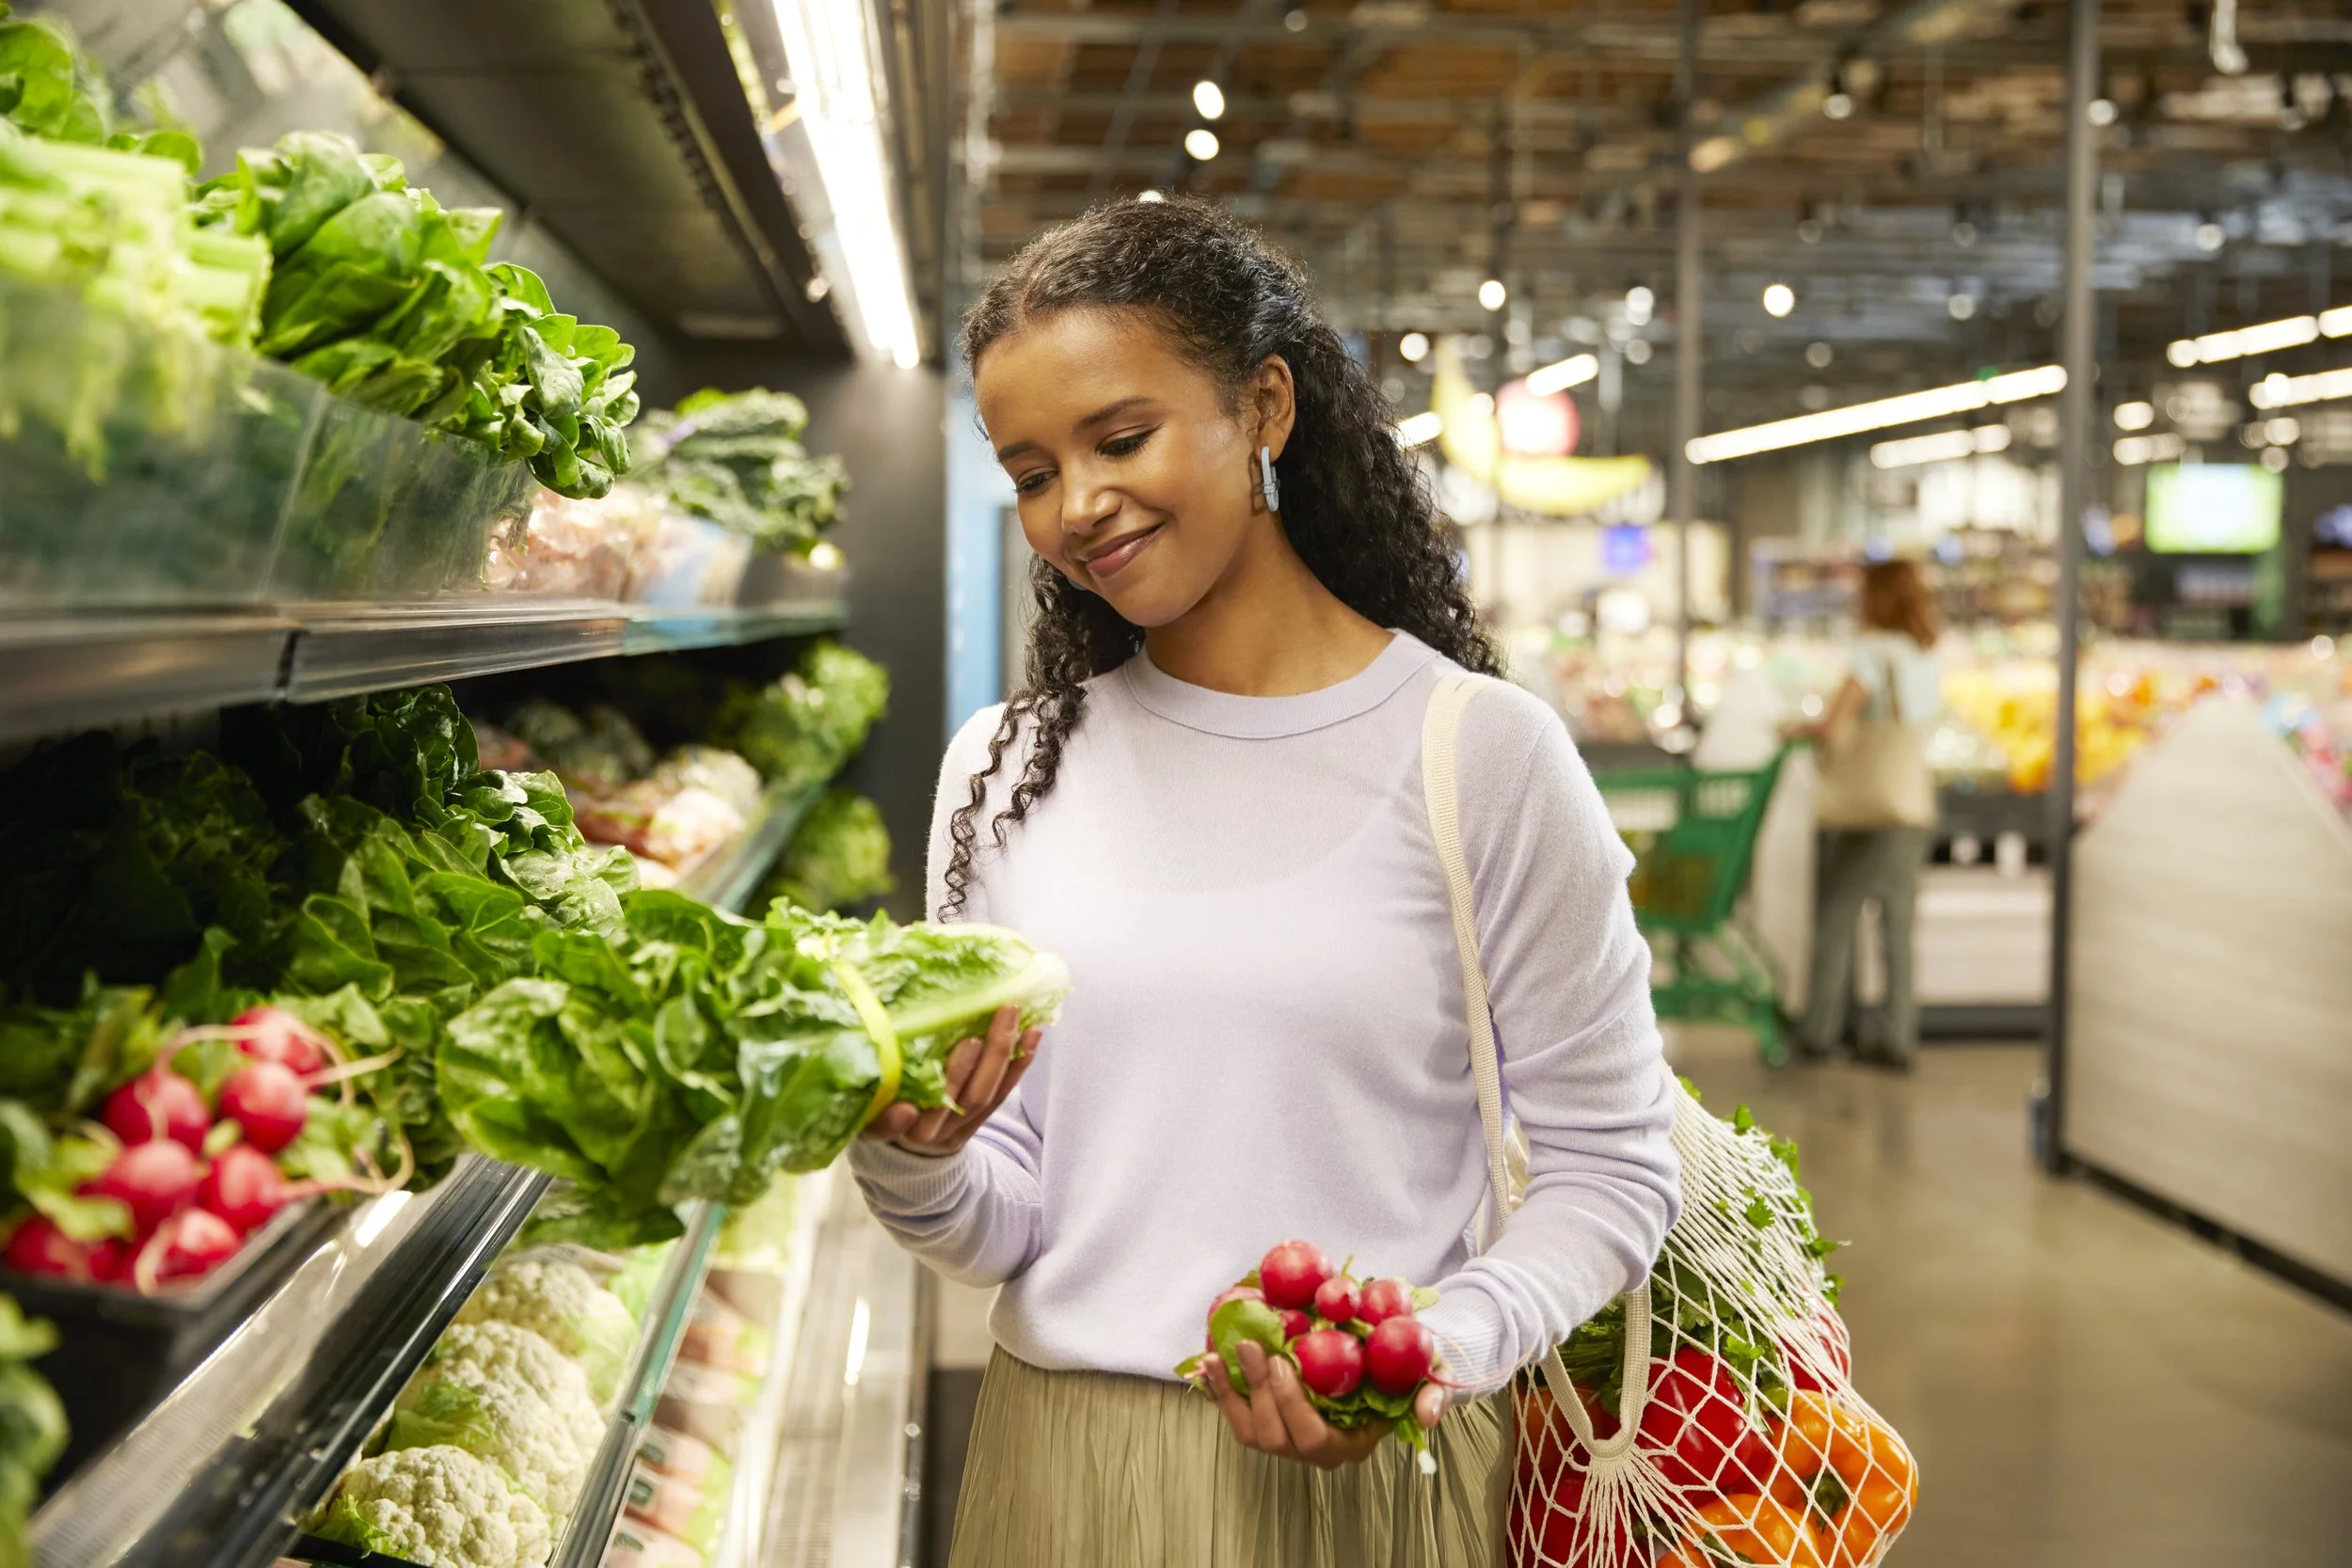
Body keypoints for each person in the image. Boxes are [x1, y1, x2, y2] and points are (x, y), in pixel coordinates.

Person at [849, 196, 1680, 1567]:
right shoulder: (1003, 769)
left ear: (1265, 408)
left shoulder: (1477, 753)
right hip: (1063, 1470)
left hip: (1385, 1481)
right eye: (1032, 471)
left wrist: (1433, 1347)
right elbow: (1003, 1218)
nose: (1079, 507)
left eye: (1121, 438)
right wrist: (909, 1150)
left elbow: (1609, 1161)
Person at [1790, 559, 1944, 1069]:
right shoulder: (1925, 654)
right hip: (1911, 805)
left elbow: (1835, 727)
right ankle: (1898, 1038)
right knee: (1897, 929)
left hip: (1865, 812)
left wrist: (1795, 729)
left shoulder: (1871, 653)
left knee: (1836, 916)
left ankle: (1819, 1032)